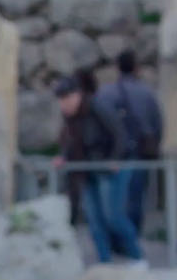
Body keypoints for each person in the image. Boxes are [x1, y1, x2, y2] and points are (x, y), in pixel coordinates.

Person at [56, 72, 141, 263]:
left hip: (111, 169)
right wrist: (64, 157)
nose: (64, 104)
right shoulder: (70, 118)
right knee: (94, 221)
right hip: (88, 170)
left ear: (77, 95)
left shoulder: (98, 107)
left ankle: (137, 258)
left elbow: (119, 134)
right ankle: (105, 262)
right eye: (61, 100)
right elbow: (70, 142)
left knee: (114, 217)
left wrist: (115, 159)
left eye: (67, 98)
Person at [98, 51, 163, 232]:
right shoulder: (147, 94)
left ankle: (117, 239)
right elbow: (157, 124)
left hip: (114, 156)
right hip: (140, 152)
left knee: (113, 201)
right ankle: (133, 238)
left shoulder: (106, 93)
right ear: (136, 68)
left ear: (117, 68)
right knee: (135, 198)